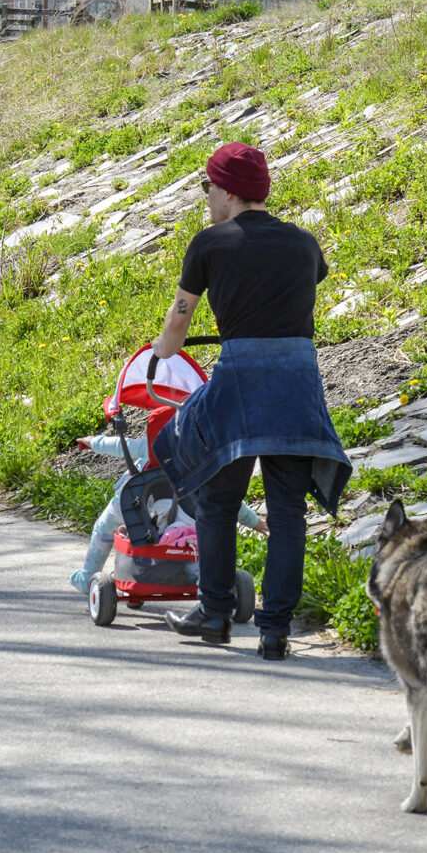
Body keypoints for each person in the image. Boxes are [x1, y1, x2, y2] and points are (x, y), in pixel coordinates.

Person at [151, 142, 351, 656]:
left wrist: (163, 347)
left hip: (242, 382)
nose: (206, 198)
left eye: (207, 188)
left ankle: (215, 615)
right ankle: (275, 630)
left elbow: (178, 322)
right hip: (297, 383)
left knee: (218, 501)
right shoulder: (305, 244)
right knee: (287, 512)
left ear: (228, 190)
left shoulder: (210, 244)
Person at [69, 406, 265, 593]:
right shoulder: (199, 462)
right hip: (181, 516)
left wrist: (93, 441)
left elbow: (120, 445)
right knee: (206, 507)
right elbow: (224, 498)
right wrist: (255, 522)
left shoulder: (149, 446)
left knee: (103, 529)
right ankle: (197, 578)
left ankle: (87, 577)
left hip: (136, 504)